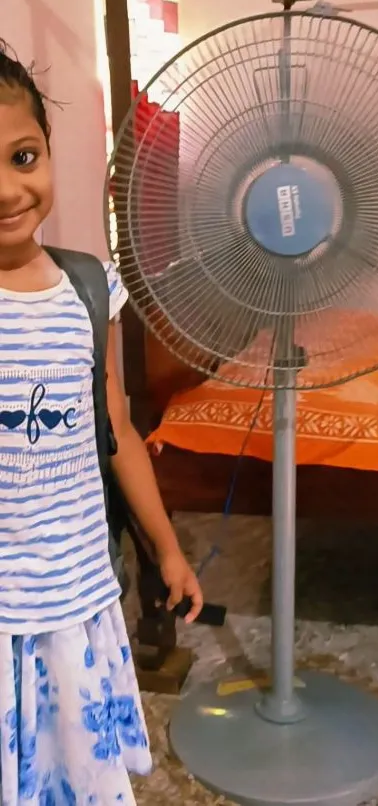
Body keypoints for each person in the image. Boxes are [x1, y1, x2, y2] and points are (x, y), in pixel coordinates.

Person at [0, 40, 203, 805]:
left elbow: (114, 430)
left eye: (24, 157)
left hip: (79, 594)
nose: (9, 191)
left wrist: (166, 547)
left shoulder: (88, 288)